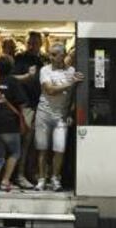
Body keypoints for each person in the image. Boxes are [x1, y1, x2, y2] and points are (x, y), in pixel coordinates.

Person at [34, 44, 84, 191]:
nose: (51, 57)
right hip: (44, 113)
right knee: (42, 148)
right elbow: (49, 90)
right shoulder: (45, 70)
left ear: (63, 55)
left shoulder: (72, 71)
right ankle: (42, 179)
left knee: (59, 149)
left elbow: (74, 95)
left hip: (61, 115)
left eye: (55, 54)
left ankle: (55, 179)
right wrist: (70, 83)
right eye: (50, 54)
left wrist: (70, 112)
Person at [0, 55, 27, 209]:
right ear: (12, 67)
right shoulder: (13, 82)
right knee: (15, 152)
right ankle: (5, 181)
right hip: (8, 124)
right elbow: (22, 102)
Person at [12, 31, 48, 189]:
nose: (32, 46)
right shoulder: (20, 59)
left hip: (40, 105)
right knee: (24, 142)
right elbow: (10, 79)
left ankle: (29, 173)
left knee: (35, 143)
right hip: (25, 106)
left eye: (35, 43)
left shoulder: (43, 60)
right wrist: (27, 75)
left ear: (41, 44)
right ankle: (19, 175)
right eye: (30, 43)